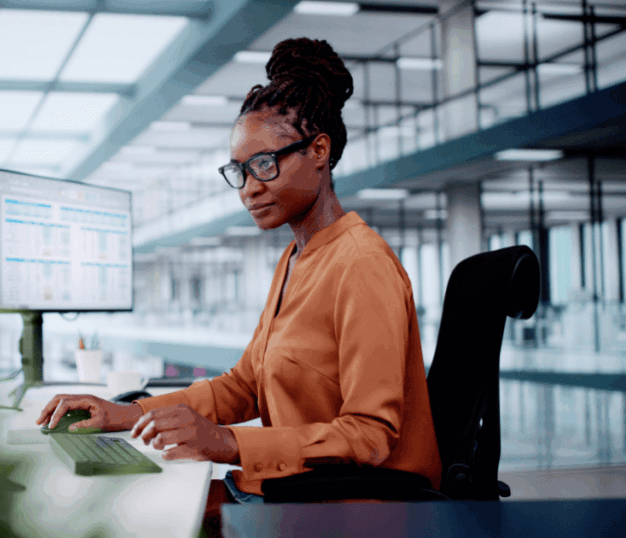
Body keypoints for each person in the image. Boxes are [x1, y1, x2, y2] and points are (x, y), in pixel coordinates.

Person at [36, 37, 442, 536]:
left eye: (265, 165)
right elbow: (243, 385)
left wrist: (229, 443)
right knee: (126, 500)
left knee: (143, 519)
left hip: (359, 505)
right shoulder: (295, 259)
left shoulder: (361, 265)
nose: (249, 187)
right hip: (297, 488)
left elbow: (370, 436)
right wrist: (125, 413)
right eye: (239, 170)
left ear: (319, 151)